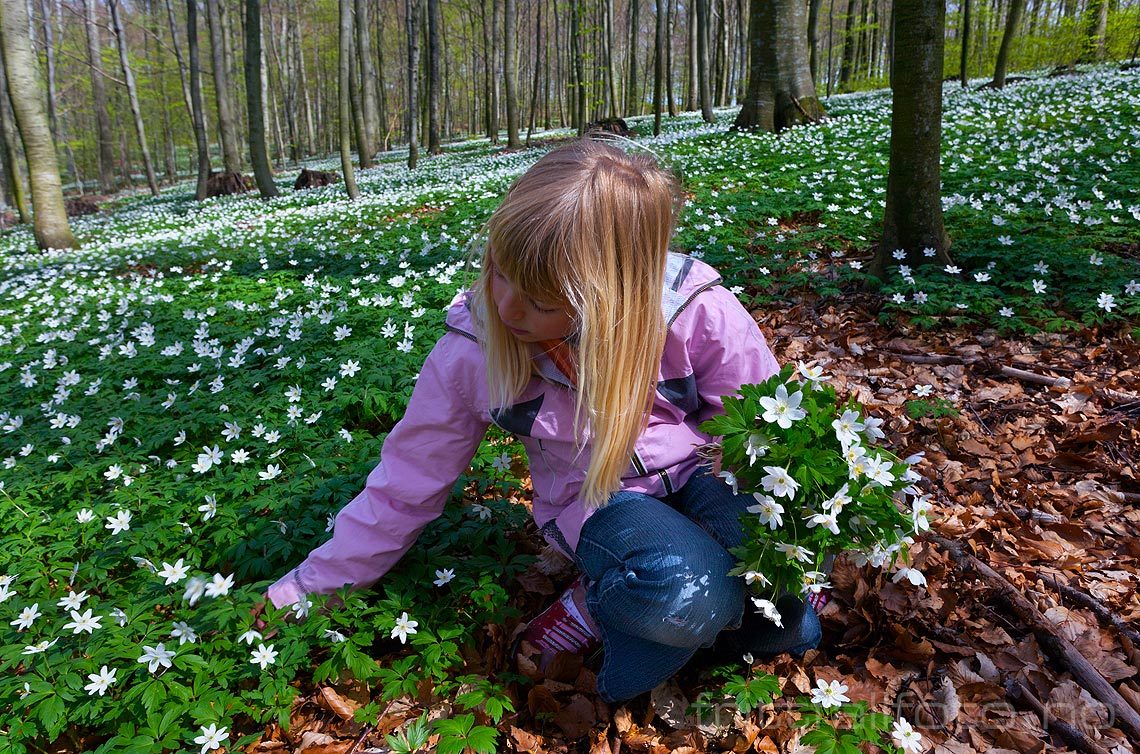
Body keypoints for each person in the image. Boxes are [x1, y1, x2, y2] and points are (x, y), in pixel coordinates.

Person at [264, 138, 822, 703]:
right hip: (603, 503)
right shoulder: (473, 351)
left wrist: (764, 507)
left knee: (798, 620)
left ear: (615, 297)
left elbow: (764, 422)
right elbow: (407, 481)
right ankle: (603, 610)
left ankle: (708, 612)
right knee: (684, 594)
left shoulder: (692, 311)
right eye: (498, 273)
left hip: (707, 473)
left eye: (542, 302)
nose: (507, 308)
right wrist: (308, 589)